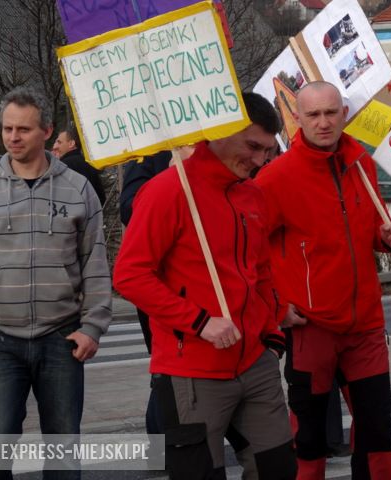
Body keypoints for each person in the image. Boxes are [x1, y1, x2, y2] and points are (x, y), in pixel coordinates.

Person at [113, 92, 297, 480]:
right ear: (221, 130)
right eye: (252, 146)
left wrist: (271, 332)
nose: (260, 160)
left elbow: (261, 271)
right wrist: (199, 322)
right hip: (191, 371)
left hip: (255, 362)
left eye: (267, 150)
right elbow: (129, 275)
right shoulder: (167, 190)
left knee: (278, 469)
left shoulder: (253, 195)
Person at [254, 81, 391, 479]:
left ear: (344, 113)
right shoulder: (276, 177)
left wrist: (387, 237)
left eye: (330, 112)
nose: (323, 122)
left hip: (366, 325)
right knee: (307, 438)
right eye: (313, 115)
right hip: (311, 328)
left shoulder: (362, 163)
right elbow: (244, 250)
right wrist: (275, 306)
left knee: (378, 431)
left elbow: (372, 230)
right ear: (298, 120)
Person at [0, 87, 111, 477]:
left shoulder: (78, 189)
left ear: (47, 131)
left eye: (23, 129)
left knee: (63, 452)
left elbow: (95, 261)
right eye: (7, 129)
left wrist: (93, 327)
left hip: (62, 340)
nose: (13, 138)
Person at [52, 126, 106, 206]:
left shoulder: (64, 166)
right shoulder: (89, 164)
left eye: (59, 142)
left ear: (71, 144)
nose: (55, 146)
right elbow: (101, 197)